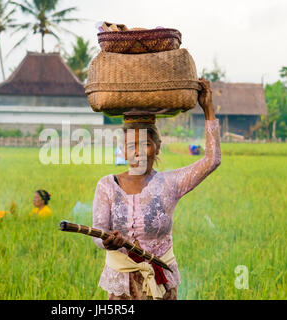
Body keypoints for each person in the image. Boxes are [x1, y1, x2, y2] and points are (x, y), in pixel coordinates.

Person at [92, 79, 221, 300]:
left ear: (157, 147)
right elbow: (97, 231)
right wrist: (105, 241)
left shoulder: (170, 183)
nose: (138, 152)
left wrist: (208, 109)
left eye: (146, 144)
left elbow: (212, 160)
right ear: (123, 151)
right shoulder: (107, 185)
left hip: (162, 284)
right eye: (131, 146)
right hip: (122, 285)